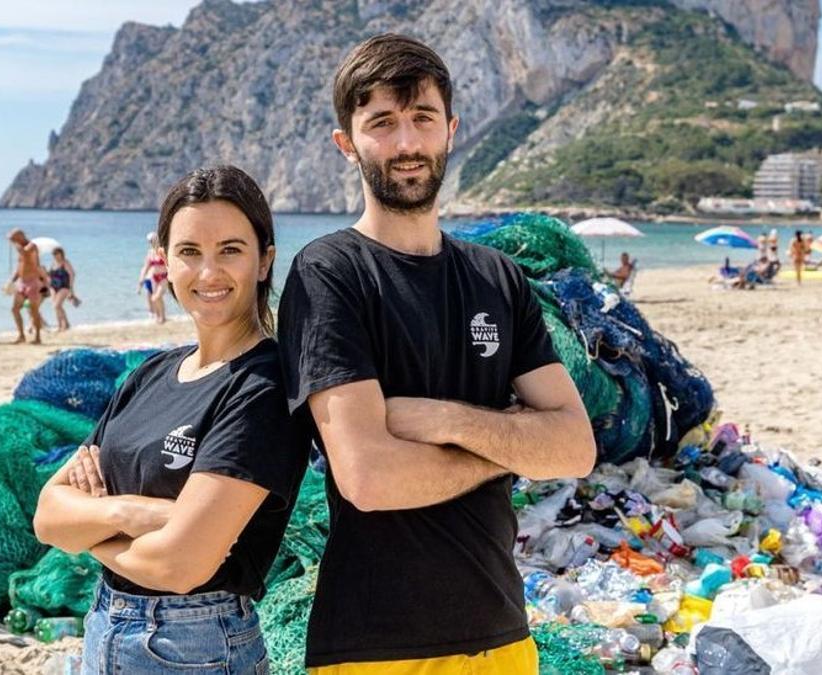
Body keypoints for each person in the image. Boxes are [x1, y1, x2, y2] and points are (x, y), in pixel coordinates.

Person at [278, 34, 595, 674]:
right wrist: (503, 451)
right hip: (374, 645)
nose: (405, 143)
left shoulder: (498, 279)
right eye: (381, 123)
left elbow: (575, 449)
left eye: (422, 118)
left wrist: (448, 422)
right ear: (347, 143)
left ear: (450, 131)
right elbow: (369, 479)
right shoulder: (329, 273)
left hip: (504, 634)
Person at [33, 167, 309, 674]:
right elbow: (48, 516)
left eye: (230, 250)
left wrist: (90, 530)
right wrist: (129, 514)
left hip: (196, 644)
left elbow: (179, 566)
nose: (208, 274)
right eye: (189, 252)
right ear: (164, 259)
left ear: (265, 260)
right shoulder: (151, 375)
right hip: (103, 627)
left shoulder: (264, 387)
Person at [6, 229, 45, 344]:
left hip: (33, 282)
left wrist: (15, 244)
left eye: (15, 238)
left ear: (21, 236)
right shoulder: (21, 250)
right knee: (15, 309)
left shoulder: (32, 246)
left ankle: (38, 337)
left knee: (34, 310)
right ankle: (21, 335)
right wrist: (11, 281)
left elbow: (25, 253)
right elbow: (19, 267)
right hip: (22, 283)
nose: (13, 242)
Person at [139, 233, 169, 323]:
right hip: (154, 277)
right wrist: (141, 278)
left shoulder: (164, 251)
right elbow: (146, 267)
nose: (152, 242)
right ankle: (160, 316)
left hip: (164, 277)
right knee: (157, 298)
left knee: (156, 297)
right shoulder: (150, 253)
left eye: (154, 240)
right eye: (150, 241)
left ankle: (162, 317)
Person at [48, 247, 79, 332]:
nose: (56, 256)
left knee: (56, 305)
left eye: (57, 253)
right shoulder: (53, 263)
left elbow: (72, 274)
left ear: (61, 254)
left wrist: (71, 288)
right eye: (54, 254)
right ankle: (63, 325)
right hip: (53, 287)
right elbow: (49, 276)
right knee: (57, 307)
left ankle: (63, 325)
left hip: (64, 286)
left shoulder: (65, 262)